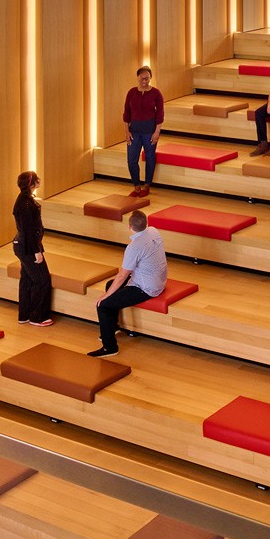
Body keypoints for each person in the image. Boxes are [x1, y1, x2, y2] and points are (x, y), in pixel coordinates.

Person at [89, 209, 167, 357]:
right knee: (110, 285)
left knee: (103, 305)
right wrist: (109, 291)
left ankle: (109, 347)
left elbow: (123, 275)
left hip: (146, 288)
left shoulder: (134, 247)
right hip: (158, 279)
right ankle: (112, 328)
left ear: (129, 226)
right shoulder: (153, 231)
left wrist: (104, 296)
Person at [12, 171, 54, 327]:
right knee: (41, 279)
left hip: (22, 245)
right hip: (27, 247)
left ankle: (24, 314)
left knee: (27, 279)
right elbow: (29, 230)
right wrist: (37, 251)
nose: (39, 181)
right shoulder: (26, 204)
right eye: (37, 180)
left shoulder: (24, 200)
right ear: (32, 184)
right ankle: (37, 317)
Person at [122, 64, 164, 195]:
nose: (145, 81)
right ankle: (136, 186)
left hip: (149, 131)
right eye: (142, 78)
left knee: (150, 157)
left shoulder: (156, 93)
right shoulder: (131, 92)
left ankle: (147, 185)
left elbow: (160, 114)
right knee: (131, 159)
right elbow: (126, 113)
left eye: (147, 78)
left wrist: (157, 132)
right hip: (134, 131)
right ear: (137, 77)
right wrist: (127, 132)